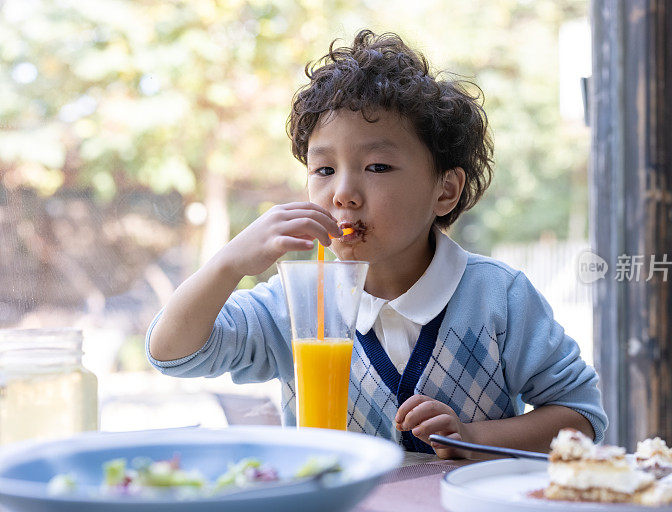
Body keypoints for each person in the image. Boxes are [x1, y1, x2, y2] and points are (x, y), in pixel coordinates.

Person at [147, 29, 608, 458]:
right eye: (324, 170)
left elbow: (581, 418)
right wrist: (229, 262)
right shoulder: (299, 302)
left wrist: (473, 438)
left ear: (444, 191)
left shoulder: (498, 299)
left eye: (377, 167)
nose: (342, 192)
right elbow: (173, 353)